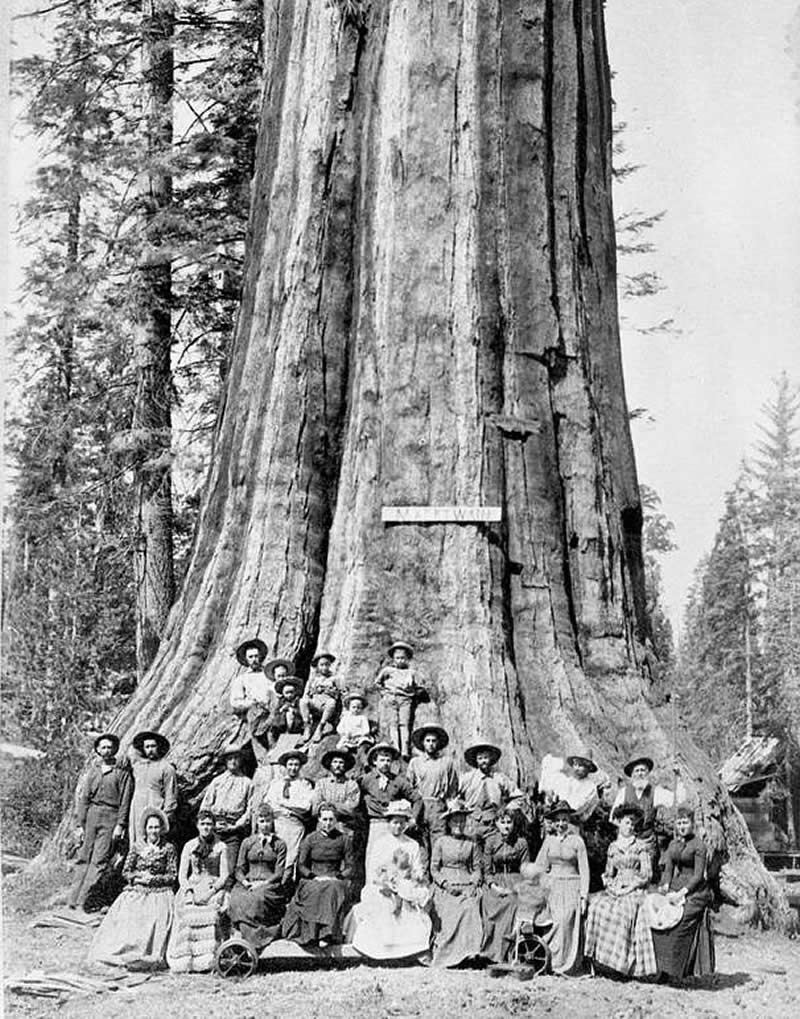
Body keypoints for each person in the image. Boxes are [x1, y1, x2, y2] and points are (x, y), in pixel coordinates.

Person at [88, 806, 177, 970]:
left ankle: (148, 953)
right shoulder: (137, 847)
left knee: (156, 919)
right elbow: (126, 872)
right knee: (128, 918)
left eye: (157, 827)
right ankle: (127, 950)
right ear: (145, 829)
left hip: (160, 892)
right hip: (137, 890)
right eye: (150, 827)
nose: (153, 831)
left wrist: (154, 879)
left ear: (162, 829)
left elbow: (172, 875)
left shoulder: (168, 848)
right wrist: (138, 877)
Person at [348, 799, 432, 960]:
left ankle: (409, 949)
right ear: (388, 823)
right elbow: (374, 869)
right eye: (394, 823)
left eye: (401, 823)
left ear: (406, 824)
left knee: (412, 899)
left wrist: (415, 876)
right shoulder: (380, 843)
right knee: (383, 903)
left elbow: (416, 867)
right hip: (383, 884)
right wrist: (386, 883)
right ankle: (382, 948)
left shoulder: (412, 844)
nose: (398, 827)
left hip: (405, 883)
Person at [584, 804, 657, 978]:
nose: (630, 827)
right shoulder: (613, 847)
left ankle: (622, 964)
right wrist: (611, 886)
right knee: (596, 907)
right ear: (619, 823)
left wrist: (631, 886)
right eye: (626, 823)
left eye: (632, 824)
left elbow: (647, 874)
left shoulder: (640, 846)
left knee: (624, 912)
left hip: (635, 888)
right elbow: (609, 873)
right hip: (616, 887)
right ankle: (600, 960)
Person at [651, 805, 715, 982]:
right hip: (676, 886)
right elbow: (669, 870)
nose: (682, 826)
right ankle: (662, 969)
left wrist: (682, 893)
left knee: (681, 919)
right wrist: (665, 886)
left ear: (692, 824)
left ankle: (677, 971)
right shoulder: (673, 844)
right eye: (679, 823)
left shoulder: (699, 846)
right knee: (660, 916)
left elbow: (698, 875)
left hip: (696, 891)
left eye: (685, 822)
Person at [69, 733, 133, 910]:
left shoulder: (123, 774)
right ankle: (72, 900)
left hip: (111, 817)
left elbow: (125, 801)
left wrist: (120, 824)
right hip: (91, 816)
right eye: (103, 747)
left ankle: (84, 900)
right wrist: (80, 825)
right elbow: (84, 799)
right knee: (83, 857)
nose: (106, 751)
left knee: (99, 860)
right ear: (97, 750)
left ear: (115, 750)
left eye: (110, 747)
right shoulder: (93, 772)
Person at [280, 803, 354, 947]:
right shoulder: (310, 839)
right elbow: (301, 865)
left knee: (333, 888)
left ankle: (327, 934)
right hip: (313, 877)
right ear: (319, 820)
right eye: (325, 819)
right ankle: (311, 935)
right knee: (313, 890)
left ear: (336, 821)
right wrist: (313, 876)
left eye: (331, 820)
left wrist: (338, 876)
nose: (328, 823)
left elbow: (350, 866)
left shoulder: (344, 839)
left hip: (334, 877)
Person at [166, 811, 230, 973]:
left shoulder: (221, 847)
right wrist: (188, 891)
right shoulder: (189, 845)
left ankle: (207, 960)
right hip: (193, 887)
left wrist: (212, 891)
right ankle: (186, 960)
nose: (206, 827)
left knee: (212, 914)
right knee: (188, 913)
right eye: (203, 824)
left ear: (214, 826)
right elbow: (182, 875)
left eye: (209, 824)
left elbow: (224, 875)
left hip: (213, 887)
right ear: (197, 826)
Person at [535, 800, 590, 975]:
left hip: (572, 885)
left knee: (565, 920)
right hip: (552, 887)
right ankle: (548, 960)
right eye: (558, 820)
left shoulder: (577, 841)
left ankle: (564, 964)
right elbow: (540, 866)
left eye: (564, 820)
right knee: (551, 920)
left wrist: (584, 895)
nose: (561, 824)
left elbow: (584, 869)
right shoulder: (549, 841)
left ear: (569, 821)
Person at [430, 798, 484, 967]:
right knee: (452, 910)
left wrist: (474, 885)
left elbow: (476, 868)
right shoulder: (441, 842)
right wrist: (445, 884)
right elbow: (434, 868)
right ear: (448, 822)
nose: (459, 824)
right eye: (455, 821)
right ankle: (450, 954)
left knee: (471, 907)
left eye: (462, 820)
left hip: (467, 884)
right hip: (446, 886)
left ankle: (470, 952)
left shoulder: (471, 843)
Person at [228, 803, 287, 948]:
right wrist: (245, 882)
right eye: (262, 821)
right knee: (237, 898)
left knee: (257, 898)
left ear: (272, 822)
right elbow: (239, 869)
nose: (265, 825)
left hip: (270, 885)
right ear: (256, 822)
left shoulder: (280, 844)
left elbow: (279, 872)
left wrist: (263, 883)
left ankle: (258, 939)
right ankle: (243, 938)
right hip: (248, 883)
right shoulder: (247, 842)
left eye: (268, 821)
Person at [611, 755, 681, 874]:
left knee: (647, 874)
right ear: (632, 774)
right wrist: (626, 831)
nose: (640, 773)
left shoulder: (655, 791)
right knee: (626, 872)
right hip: (626, 842)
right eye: (637, 771)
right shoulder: (624, 792)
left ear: (647, 773)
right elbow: (613, 818)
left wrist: (678, 778)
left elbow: (675, 800)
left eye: (643, 770)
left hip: (647, 841)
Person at [359, 742, 421, 873]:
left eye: (388, 760)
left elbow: (417, 798)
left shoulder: (398, 781)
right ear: (375, 761)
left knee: (392, 858)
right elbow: (356, 797)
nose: (385, 763)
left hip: (394, 825)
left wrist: (413, 819)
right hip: (375, 824)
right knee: (373, 858)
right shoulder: (366, 780)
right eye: (382, 760)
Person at [480, 808, 530, 963]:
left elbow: (526, 869)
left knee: (512, 903)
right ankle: (489, 952)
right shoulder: (490, 842)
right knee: (487, 902)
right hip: (496, 881)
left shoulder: (521, 843)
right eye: (503, 822)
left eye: (509, 822)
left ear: (514, 824)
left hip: (516, 880)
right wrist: (494, 886)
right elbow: (486, 871)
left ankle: (506, 951)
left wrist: (518, 887)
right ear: (496, 823)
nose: (506, 826)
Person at [199, 746, 253, 883]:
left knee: (229, 869)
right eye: (230, 758)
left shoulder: (247, 783)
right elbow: (205, 806)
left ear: (241, 760)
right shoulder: (217, 781)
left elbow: (249, 810)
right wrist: (211, 824)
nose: (233, 761)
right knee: (210, 866)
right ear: (225, 761)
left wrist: (234, 826)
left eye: (236, 758)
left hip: (233, 831)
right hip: (213, 829)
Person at [407, 724, 459, 862]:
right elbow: (409, 788)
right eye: (428, 740)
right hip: (420, 805)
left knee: (439, 841)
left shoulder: (446, 762)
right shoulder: (415, 762)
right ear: (423, 743)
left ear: (439, 743)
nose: (431, 744)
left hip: (438, 806)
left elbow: (453, 788)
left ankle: (437, 878)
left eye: (434, 741)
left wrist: (449, 806)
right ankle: (423, 877)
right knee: (421, 843)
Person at [458, 741, 524, 847]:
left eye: (486, 757)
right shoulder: (468, 778)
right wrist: (461, 808)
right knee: (472, 851)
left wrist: (507, 809)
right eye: (480, 758)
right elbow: (453, 796)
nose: (483, 761)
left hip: (492, 824)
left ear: (491, 759)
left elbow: (518, 796)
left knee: (492, 851)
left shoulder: (500, 778)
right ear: (476, 760)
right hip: (471, 822)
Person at [265, 749, 314, 881]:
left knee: (291, 857)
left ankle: (288, 886)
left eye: (296, 765)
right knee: (276, 854)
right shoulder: (276, 784)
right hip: (277, 824)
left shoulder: (305, 785)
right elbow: (269, 803)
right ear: (285, 766)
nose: (293, 768)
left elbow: (305, 806)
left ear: (300, 766)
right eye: (290, 764)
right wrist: (285, 807)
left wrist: (284, 805)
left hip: (294, 825)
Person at [230, 638, 275, 764]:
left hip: (271, 710)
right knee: (258, 739)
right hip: (255, 714)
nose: (254, 659)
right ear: (246, 659)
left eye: (256, 656)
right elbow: (235, 701)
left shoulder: (268, 674)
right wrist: (250, 703)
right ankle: (263, 764)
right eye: (251, 657)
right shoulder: (242, 679)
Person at [127, 730, 178, 842]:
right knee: (136, 841)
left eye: (153, 746)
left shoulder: (167, 768)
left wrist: (164, 817)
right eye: (147, 746)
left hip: (155, 808)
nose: (150, 749)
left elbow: (171, 797)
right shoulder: (138, 767)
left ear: (158, 747)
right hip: (137, 809)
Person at [375, 641, 421, 758]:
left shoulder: (411, 672)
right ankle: (395, 747)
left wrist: (412, 693)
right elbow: (377, 683)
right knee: (393, 724)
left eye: (403, 658)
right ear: (393, 659)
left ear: (407, 659)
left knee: (404, 724)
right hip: (391, 699)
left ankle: (405, 750)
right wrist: (385, 693)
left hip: (405, 700)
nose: (400, 660)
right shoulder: (388, 670)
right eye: (397, 658)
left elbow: (420, 687)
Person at [312, 750, 364, 845]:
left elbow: (351, 809)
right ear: (330, 764)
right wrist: (338, 807)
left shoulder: (351, 785)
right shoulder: (321, 783)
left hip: (344, 828)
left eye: (341, 762)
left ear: (345, 765)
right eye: (335, 762)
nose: (338, 765)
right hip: (323, 828)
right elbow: (315, 808)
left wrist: (329, 804)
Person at [300, 652, 341, 743]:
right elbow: (306, 694)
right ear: (318, 666)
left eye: (327, 665)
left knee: (331, 702)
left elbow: (341, 692)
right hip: (315, 703)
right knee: (303, 701)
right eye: (322, 665)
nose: (324, 667)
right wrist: (311, 694)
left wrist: (331, 691)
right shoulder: (313, 679)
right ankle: (307, 726)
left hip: (326, 704)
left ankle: (321, 726)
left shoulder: (334, 678)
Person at [267, 676, 306, 748]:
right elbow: (277, 712)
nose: (290, 695)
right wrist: (282, 710)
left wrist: (294, 710)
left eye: (291, 692)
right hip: (283, 724)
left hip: (296, 724)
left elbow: (302, 712)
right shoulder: (281, 702)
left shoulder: (298, 701)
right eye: (287, 693)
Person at [336, 690, 374, 754]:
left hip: (359, 737)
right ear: (349, 708)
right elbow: (339, 728)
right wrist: (344, 733)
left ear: (362, 708)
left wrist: (360, 734)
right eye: (353, 707)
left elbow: (366, 729)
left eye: (358, 708)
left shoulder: (362, 718)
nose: (356, 710)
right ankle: (346, 756)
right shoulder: (346, 718)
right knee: (344, 747)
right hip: (348, 738)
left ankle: (363, 759)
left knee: (363, 746)